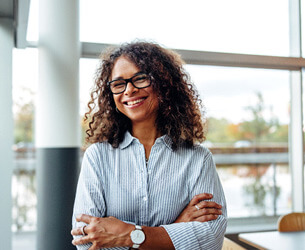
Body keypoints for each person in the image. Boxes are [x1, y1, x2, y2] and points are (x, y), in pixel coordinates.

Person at [71, 41, 227, 249]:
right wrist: (177, 228)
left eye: (141, 78)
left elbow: (211, 237)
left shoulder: (198, 159)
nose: (129, 90)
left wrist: (128, 236)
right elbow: (86, 243)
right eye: (119, 84)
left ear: (164, 83)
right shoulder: (97, 157)